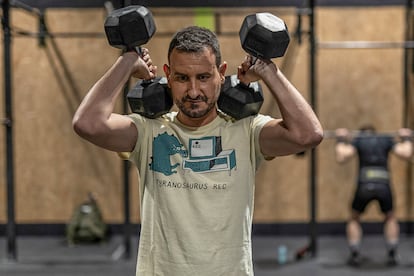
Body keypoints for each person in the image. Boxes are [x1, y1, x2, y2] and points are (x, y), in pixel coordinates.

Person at [73, 25, 323, 275]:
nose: (193, 91)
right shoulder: (150, 131)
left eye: (203, 77)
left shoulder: (246, 131)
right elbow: (87, 124)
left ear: (221, 74)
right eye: (182, 78)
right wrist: (127, 62)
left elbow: (308, 135)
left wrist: (268, 71)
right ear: (168, 76)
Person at [335, 125, 413, 267]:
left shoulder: (359, 140)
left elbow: (342, 156)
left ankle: (354, 253)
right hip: (383, 185)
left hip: (364, 185)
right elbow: (406, 153)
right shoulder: (385, 139)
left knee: (354, 217)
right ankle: (392, 252)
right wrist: (406, 137)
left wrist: (341, 139)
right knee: (390, 216)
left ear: (362, 133)